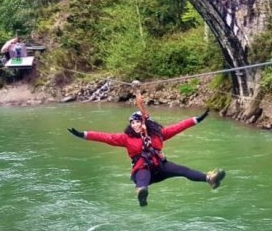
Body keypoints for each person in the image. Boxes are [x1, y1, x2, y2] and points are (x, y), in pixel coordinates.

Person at [67, 87, 225, 207]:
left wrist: (197, 119)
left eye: (137, 121)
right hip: (142, 168)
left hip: (159, 165)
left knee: (183, 170)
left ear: (143, 123)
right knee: (142, 179)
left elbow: (179, 127)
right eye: (133, 122)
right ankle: (141, 193)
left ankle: (209, 179)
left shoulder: (158, 134)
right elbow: (105, 137)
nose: (135, 124)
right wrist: (83, 134)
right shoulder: (126, 138)